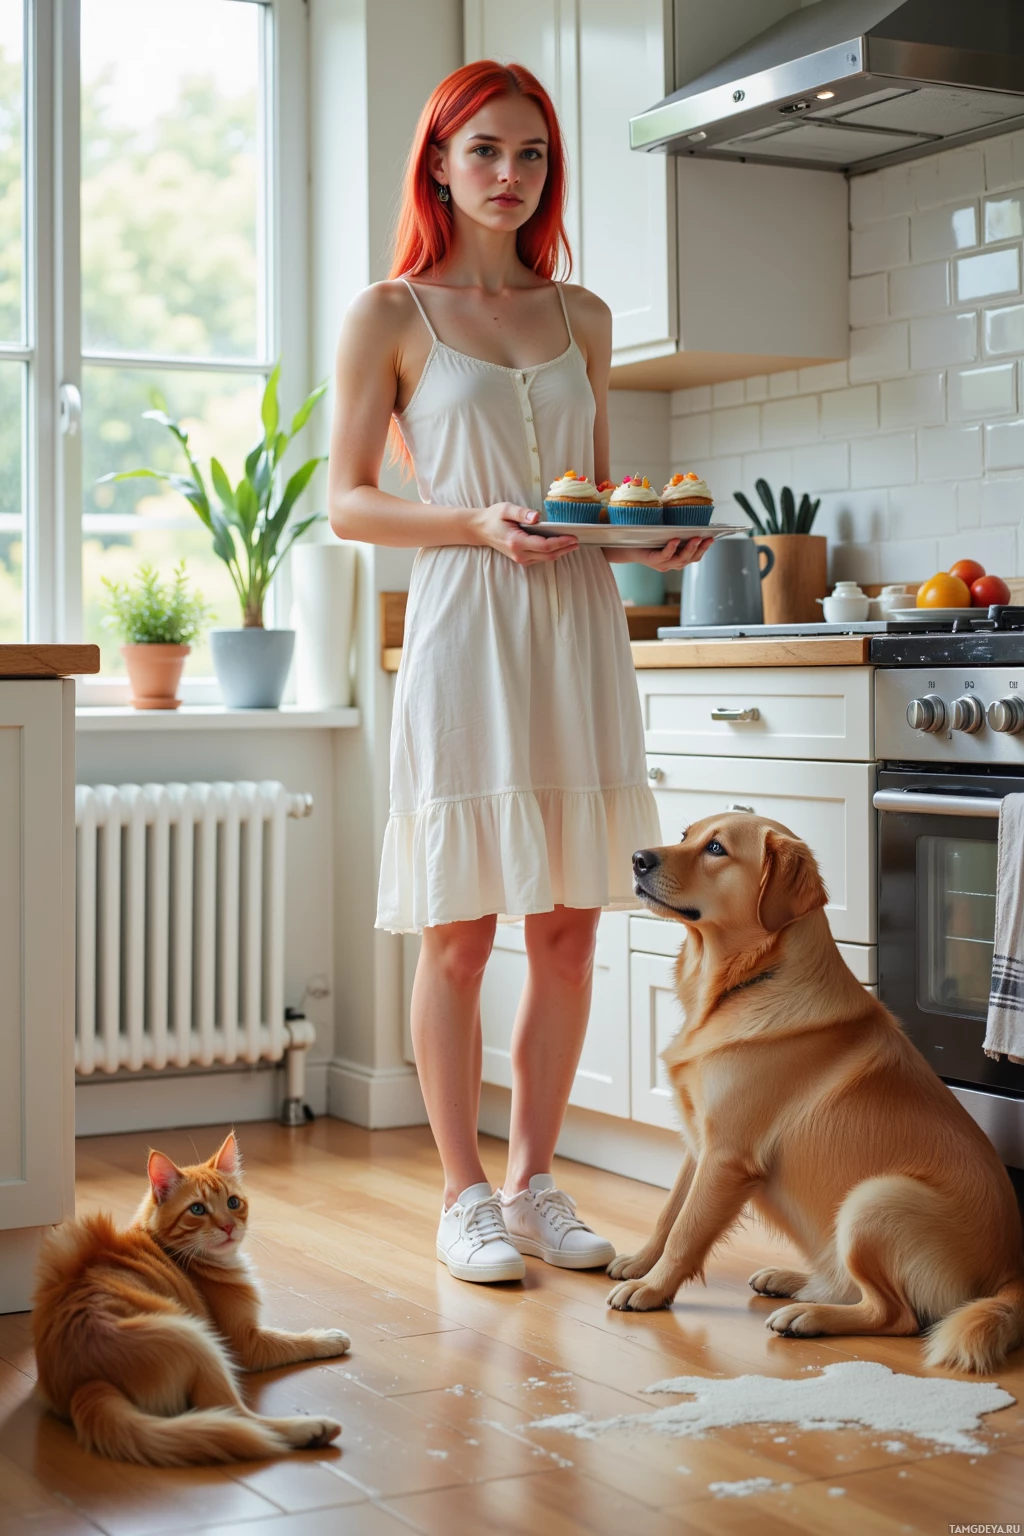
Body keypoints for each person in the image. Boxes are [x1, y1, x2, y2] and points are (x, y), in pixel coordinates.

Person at [328, 60, 710, 1284]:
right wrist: (471, 525)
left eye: (531, 154)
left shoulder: (582, 315)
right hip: (464, 626)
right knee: (458, 934)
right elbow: (347, 504)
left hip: (578, 630)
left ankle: (540, 1182)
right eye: (485, 150)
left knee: (567, 934)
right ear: (438, 162)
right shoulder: (391, 313)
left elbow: (581, 498)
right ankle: (462, 1195)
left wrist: (644, 538)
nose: (508, 174)